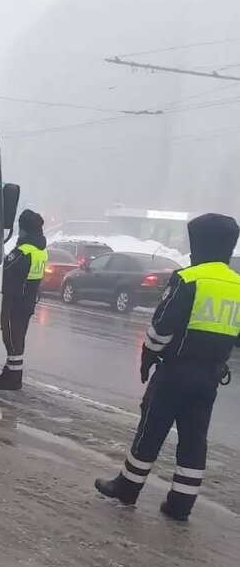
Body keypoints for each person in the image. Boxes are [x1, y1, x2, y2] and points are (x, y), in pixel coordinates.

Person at [95, 212, 240, 521]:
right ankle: (180, 505)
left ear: (200, 245)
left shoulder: (188, 279)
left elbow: (162, 328)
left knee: (151, 429)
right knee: (194, 438)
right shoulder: (237, 285)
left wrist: (148, 358)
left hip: (176, 371)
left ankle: (127, 487)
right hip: (210, 376)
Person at [0, 208, 48, 391]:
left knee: (11, 338)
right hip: (28, 300)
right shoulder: (40, 250)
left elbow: (6, 270)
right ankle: (9, 372)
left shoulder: (23, 251)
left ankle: (14, 379)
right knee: (18, 336)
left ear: (24, 229)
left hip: (14, 300)